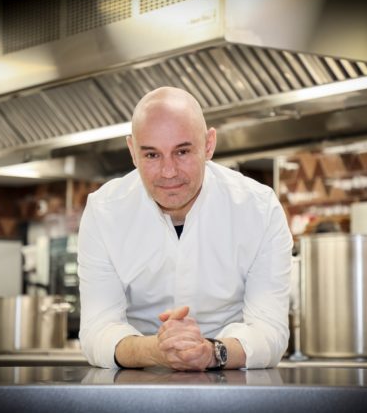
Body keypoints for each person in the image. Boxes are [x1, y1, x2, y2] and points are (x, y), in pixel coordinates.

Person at [78, 87, 292, 371]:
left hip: (230, 374)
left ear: (209, 145)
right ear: (132, 151)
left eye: (182, 151)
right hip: (136, 377)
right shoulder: (104, 211)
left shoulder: (259, 209)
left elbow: (269, 330)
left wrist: (211, 352)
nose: (168, 172)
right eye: (152, 155)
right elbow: (97, 329)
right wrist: (156, 350)